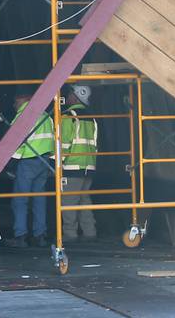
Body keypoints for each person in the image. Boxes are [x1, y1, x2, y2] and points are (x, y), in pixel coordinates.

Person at [6, 93, 55, 248]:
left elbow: (15, 144)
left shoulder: (23, 116)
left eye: (15, 100)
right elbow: (54, 139)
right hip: (44, 162)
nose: (14, 104)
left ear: (23, 99)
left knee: (20, 200)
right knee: (39, 200)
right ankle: (39, 235)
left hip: (28, 162)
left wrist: (11, 166)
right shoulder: (46, 115)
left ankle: (21, 236)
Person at [60, 85, 98, 243]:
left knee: (69, 202)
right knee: (84, 200)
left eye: (69, 94)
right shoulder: (91, 118)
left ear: (75, 97)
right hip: (89, 166)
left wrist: (58, 163)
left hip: (72, 166)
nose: (67, 97)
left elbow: (65, 143)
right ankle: (90, 232)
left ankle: (70, 234)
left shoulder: (69, 116)